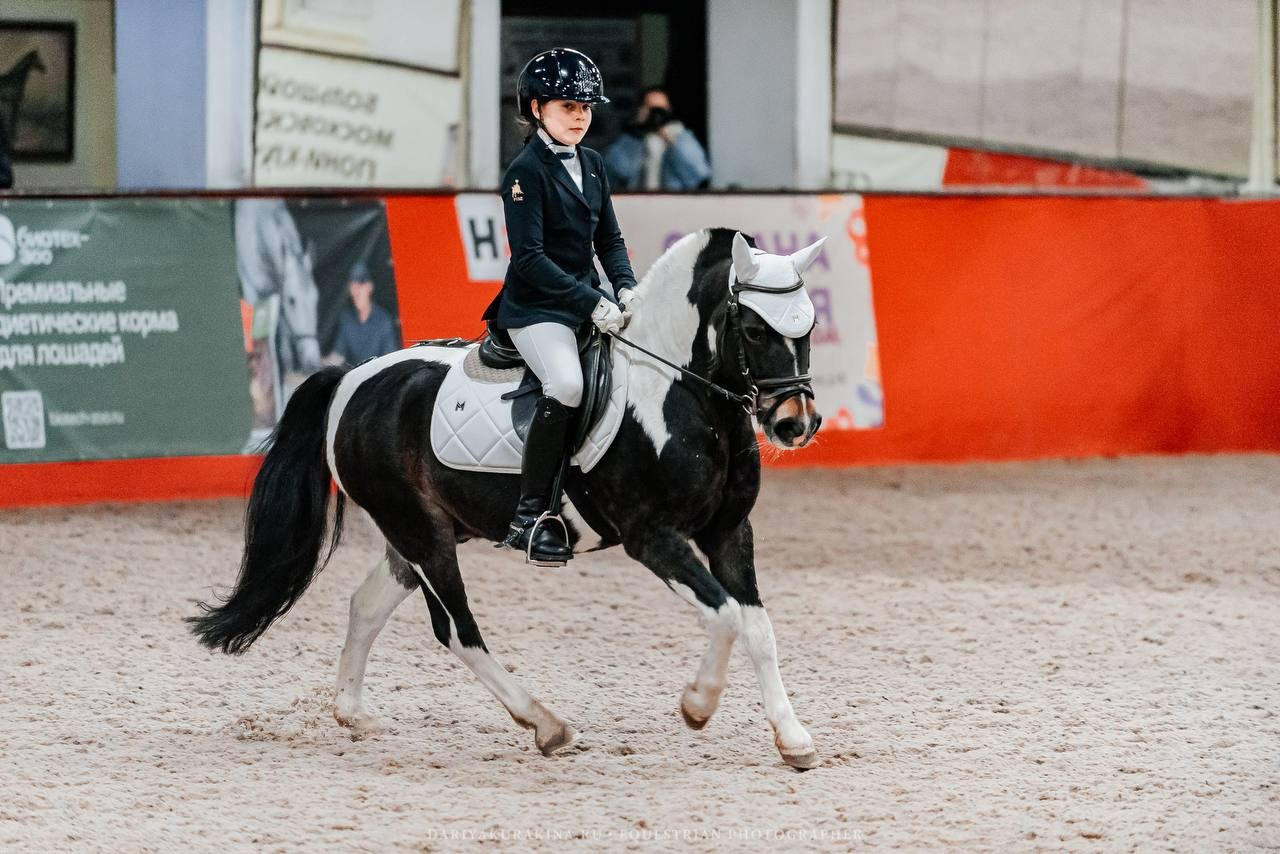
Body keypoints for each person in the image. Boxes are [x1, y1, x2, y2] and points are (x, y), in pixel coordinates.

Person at [483, 47, 641, 567]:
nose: (579, 116)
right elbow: (528, 260)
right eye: (567, 106)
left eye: (585, 107)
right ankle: (532, 516)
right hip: (536, 308)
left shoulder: (593, 164)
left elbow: (610, 240)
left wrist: (625, 286)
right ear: (536, 110)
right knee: (568, 384)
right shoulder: (524, 173)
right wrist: (591, 301)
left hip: (586, 299)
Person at [604, 86, 711, 191]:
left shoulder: (681, 136)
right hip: (637, 201)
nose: (656, 115)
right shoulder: (632, 138)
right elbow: (618, 171)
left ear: (669, 109)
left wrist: (671, 141)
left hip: (673, 202)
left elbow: (698, 174)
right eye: (651, 109)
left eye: (660, 110)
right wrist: (637, 133)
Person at [329, 259, 399, 366]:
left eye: (360, 285)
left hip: (377, 377)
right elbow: (338, 356)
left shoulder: (383, 320)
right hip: (354, 377)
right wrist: (317, 365)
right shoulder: (346, 318)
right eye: (353, 286)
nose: (356, 291)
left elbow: (389, 360)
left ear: (369, 287)